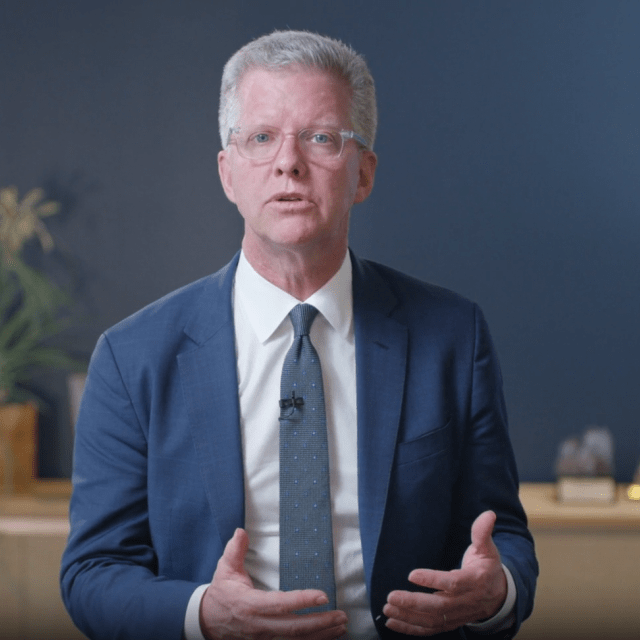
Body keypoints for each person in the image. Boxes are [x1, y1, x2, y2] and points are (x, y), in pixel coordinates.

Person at [60, 30, 537, 640]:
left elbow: (505, 541)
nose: (288, 161)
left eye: (320, 137)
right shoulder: (133, 358)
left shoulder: (453, 336)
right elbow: (93, 573)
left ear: (362, 174)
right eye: (261, 138)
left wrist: (496, 592)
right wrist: (204, 614)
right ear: (228, 173)